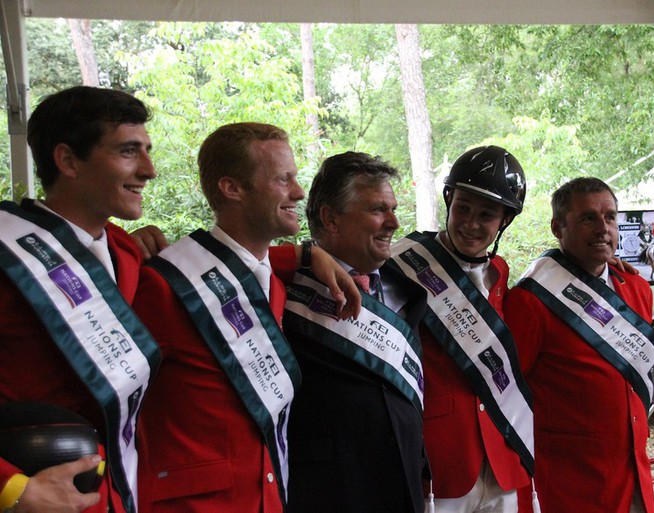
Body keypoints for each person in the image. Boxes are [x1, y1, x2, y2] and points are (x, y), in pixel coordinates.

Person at [131, 122, 360, 513]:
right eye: (282, 179)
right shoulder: (163, 285)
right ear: (231, 188)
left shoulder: (272, 284)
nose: (298, 191)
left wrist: (306, 253)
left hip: (267, 496)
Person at [0, 86, 160, 513]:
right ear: (68, 160)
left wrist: (304, 256)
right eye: (129, 151)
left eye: (147, 150)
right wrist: (10, 489)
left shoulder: (125, 253)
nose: (150, 170)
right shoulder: (6, 252)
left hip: (116, 495)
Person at [385, 146, 534, 513]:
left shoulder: (500, 274)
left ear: (504, 221)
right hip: (442, 458)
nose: (470, 222)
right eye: (463, 207)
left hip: (501, 458)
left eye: (487, 214)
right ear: (449, 201)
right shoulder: (404, 265)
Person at [281, 151, 429, 513]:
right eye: (378, 209)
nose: (393, 221)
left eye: (393, 208)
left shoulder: (406, 290)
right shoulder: (283, 288)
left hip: (403, 488)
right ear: (330, 218)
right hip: (328, 492)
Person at [503, 177, 654, 513]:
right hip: (569, 486)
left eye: (610, 217)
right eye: (588, 218)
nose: (603, 228)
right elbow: (509, 401)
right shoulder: (531, 301)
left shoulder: (635, 289)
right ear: (558, 228)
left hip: (635, 478)